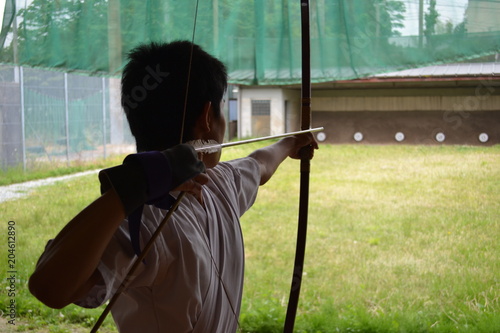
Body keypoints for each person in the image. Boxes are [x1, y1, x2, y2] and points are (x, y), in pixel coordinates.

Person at [29, 40, 318, 333]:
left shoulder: (219, 182)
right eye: (222, 109)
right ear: (207, 117)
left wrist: (290, 142)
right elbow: (49, 288)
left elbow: (260, 165)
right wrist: (132, 186)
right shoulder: (141, 220)